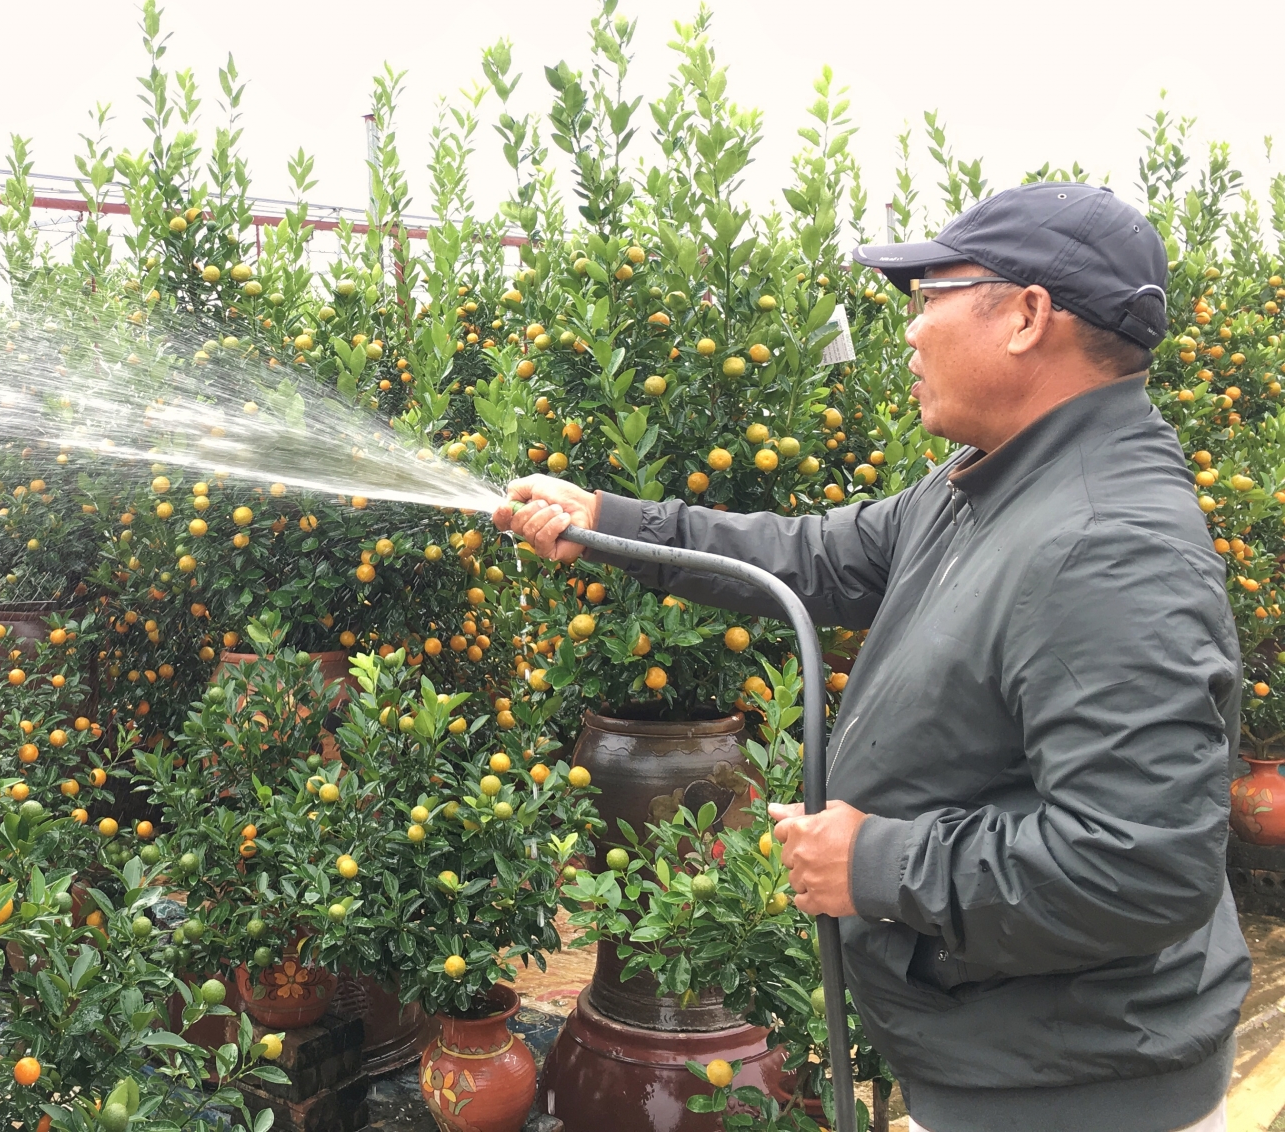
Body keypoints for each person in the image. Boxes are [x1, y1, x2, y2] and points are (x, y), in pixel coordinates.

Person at [495, 183, 1248, 1132]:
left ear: (1025, 316)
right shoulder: (989, 483)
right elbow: (815, 557)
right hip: (1015, 1062)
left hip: (1074, 1096)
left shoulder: (1106, 544)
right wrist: (613, 523)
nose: (911, 329)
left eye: (930, 293)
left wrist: (875, 862)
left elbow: (1139, 866)